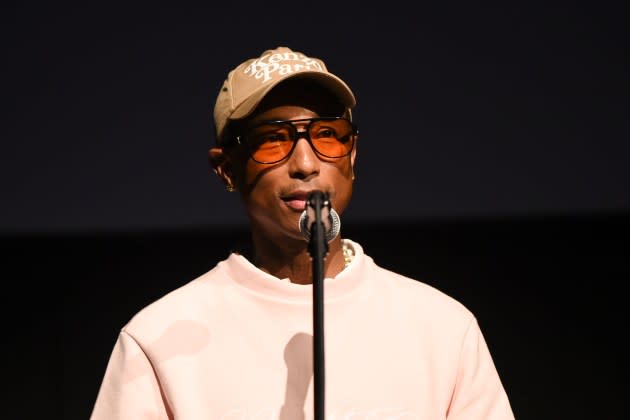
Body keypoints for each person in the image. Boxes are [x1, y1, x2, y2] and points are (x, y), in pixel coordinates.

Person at [90, 46, 515, 420]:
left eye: (328, 136)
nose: (307, 164)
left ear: (352, 156)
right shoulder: (160, 337)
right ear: (226, 168)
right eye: (273, 140)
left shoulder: (442, 327)